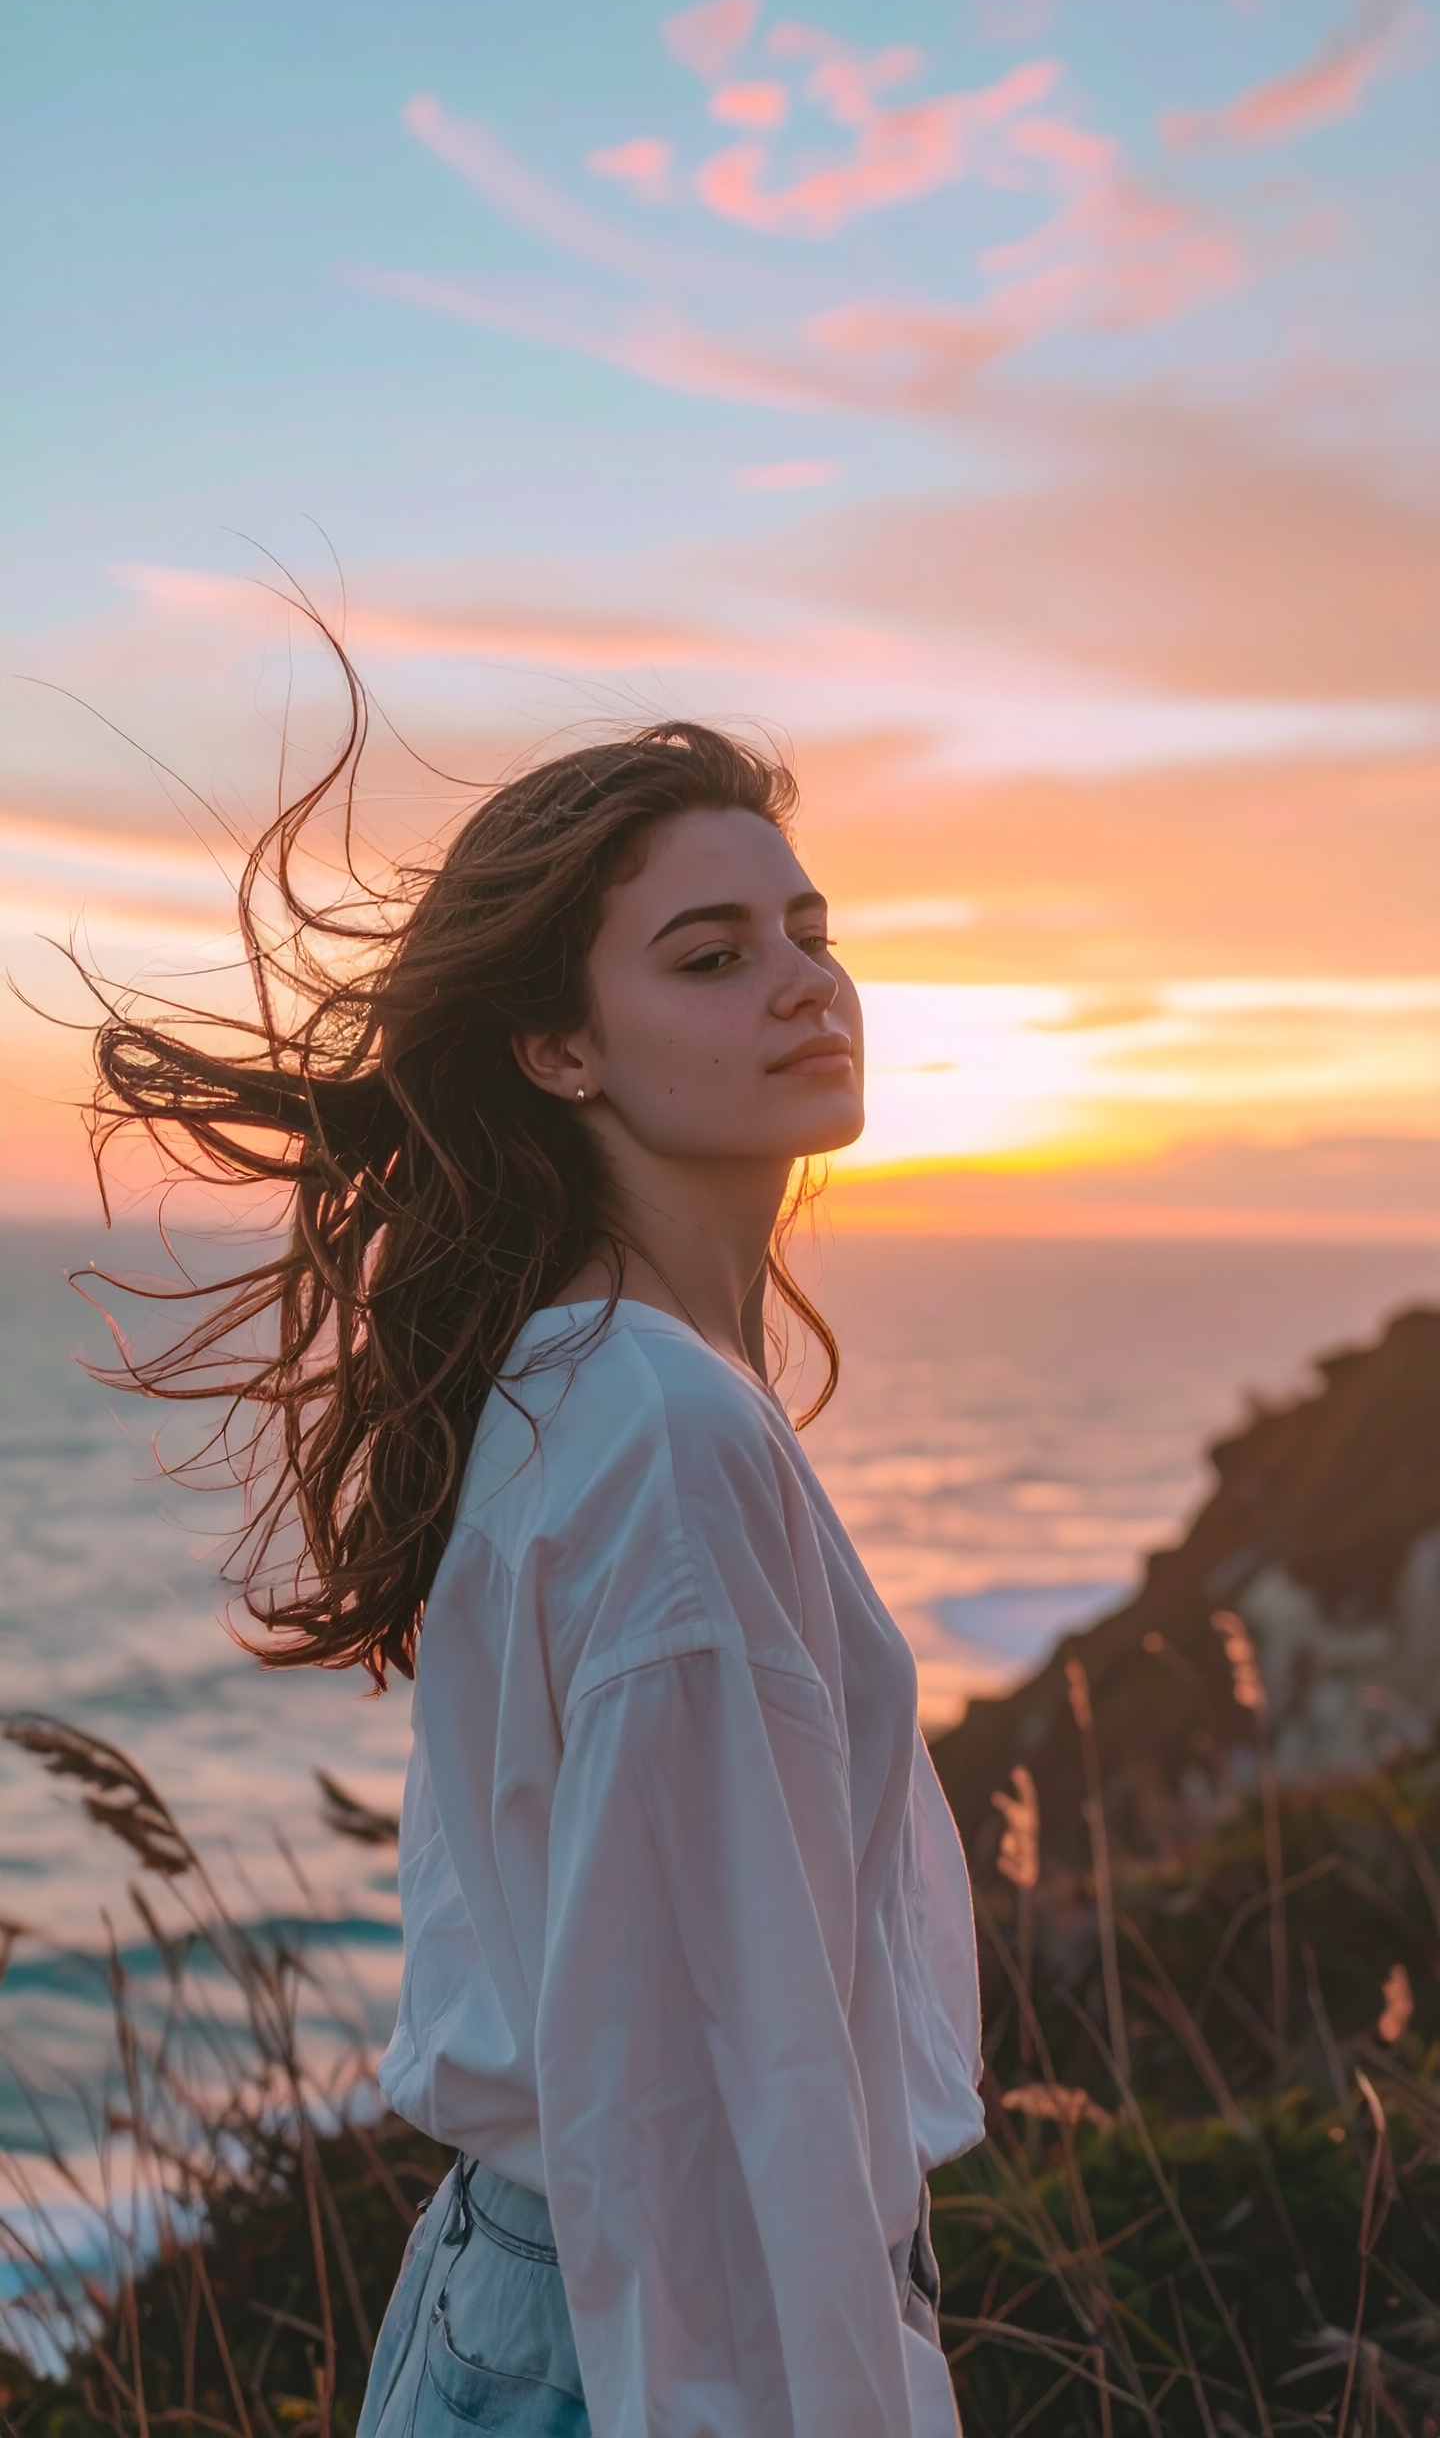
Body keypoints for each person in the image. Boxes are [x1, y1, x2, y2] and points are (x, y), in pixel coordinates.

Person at [91, 705, 984, 2436]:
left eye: (810, 932)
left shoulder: (582, 1374)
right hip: (653, 2328)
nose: (806, 984)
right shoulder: (659, 1427)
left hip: (542, 2298)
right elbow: (705, 2097)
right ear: (559, 1049)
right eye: (712, 956)